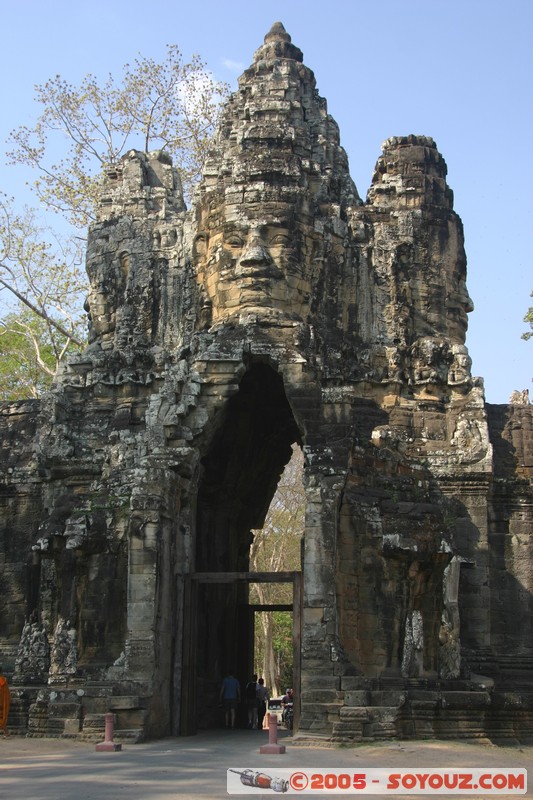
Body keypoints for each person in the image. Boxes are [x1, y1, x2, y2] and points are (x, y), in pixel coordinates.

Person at [0, 666, 10, 737]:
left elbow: (4, 694)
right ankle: (6, 733)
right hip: (2, 702)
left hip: (1, 702)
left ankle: (6, 733)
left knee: (1, 720)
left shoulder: (2, 681)